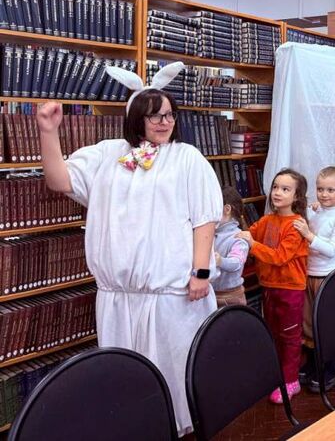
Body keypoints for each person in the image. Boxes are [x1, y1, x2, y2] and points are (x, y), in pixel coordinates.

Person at [37, 61, 222, 436]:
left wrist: (201, 272)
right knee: (126, 380)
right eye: (155, 116)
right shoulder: (108, 155)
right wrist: (48, 131)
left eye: (169, 115)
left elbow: (205, 219)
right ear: (136, 118)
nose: (164, 122)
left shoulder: (186, 157)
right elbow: (59, 180)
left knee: (176, 375)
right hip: (119, 299)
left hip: (173, 297)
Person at [238, 168, 309, 403]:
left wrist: (252, 244)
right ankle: (278, 373)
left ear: (297, 197)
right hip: (269, 287)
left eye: (285, 189)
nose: (277, 192)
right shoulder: (266, 220)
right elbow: (248, 234)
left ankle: (291, 380)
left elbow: (279, 257)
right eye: (275, 187)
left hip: (290, 290)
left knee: (289, 335)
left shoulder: (296, 225)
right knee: (273, 332)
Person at [295, 166, 335, 392]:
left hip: (327, 277)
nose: (324, 194)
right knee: (308, 323)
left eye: (330, 190)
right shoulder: (314, 212)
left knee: (326, 324)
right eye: (320, 189)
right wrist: (311, 212)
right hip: (307, 275)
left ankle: (331, 369)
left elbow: (331, 249)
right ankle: (313, 363)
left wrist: (309, 235)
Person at [211, 186, 250, 307]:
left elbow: (237, 263)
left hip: (231, 297)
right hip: (212, 294)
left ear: (227, 209)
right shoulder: (211, 233)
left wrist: (220, 261)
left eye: (212, 208)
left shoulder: (238, 237)